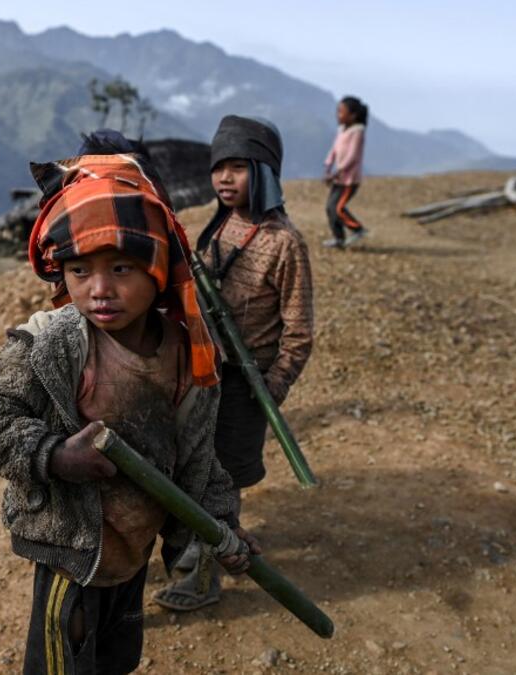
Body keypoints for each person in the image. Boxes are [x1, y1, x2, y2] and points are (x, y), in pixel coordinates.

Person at [0, 151, 258, 674]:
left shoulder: (188, 357)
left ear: (158, 269)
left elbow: (198, 462)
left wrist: (222, 530)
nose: (99, 289)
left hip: (132, 554)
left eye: (121, 268)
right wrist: (53, 454)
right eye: (80, 270)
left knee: (117, 659)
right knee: (62, 664)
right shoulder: (53, 344)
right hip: (70, 557)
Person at [154, 115, 315, 612]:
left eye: (237, 168)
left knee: (217, 480)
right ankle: (195, 554)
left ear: (263, 172)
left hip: (245, 385)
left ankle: (198, 578)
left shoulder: (284, 243)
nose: (224, 178)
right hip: (201, 372)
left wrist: (271, 387)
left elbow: (300, 332)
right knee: (190, 470)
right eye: (218, 167)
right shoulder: (218, 224)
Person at [323, 95, 370, 248]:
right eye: (338, 111)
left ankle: (358, 229)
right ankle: (339, 239)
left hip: (350, 180)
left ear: (353, 115)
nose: (338, 115)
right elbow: (335, 149)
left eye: (342, 112)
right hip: (339, 178)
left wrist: (338, 171)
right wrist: (328, 164)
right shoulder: (341, 130)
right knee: (330, 208)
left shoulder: (358, 132)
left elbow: (352, 156)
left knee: (338, 208)